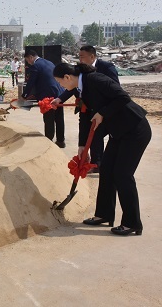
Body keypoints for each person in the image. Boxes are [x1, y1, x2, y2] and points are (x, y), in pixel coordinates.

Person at [53, 63, 150, 236]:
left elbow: (123, 97)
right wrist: (82, 145)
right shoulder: (80, 89)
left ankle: (132, 223)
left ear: (67, 77)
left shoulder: (95, 79)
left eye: (60, 82)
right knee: (106, 170)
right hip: (118, 133)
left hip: (134, 129)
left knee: (122, 174)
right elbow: (85, 117)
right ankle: (104, 215)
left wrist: (103, 112)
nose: (61, 86)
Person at [52, 45, 120, 173]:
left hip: (105, 110)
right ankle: (96, 163)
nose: (80, 59)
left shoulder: (105, 69)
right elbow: (73, 86)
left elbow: (116, 91)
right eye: (79, 56)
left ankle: (98, 163)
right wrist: (60, 99)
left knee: (97, 135)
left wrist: (103, 111)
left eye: (82, 56)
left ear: (92, 56)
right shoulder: (79, 73)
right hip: (89, 108)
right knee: (91, 134)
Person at [22, 49, 65, 147]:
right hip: (59, 94)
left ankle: (49, 142)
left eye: (27, 60)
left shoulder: (36, 66)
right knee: (59, 118)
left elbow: (31, 82)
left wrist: (24, 96)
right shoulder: (49, 62)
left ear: (31, 57)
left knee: (49, 119)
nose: (28, 63)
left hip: (48, 95)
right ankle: (61, 141)